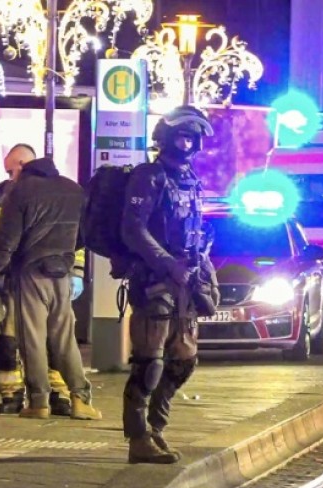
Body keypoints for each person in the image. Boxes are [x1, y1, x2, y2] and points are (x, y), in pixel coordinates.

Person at [120, 106, 219, 464]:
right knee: (149, 362)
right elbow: (133, 229)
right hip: (154, 282)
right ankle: (138, 438)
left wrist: (200, 263)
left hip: (187, 282)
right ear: (165, 137)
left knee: (184, 361)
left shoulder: (191, 177)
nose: (188, 142)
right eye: (182, 135)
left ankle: (156, 428)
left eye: (193, 137)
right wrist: (165, 264)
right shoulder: (149, 177)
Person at [0, 154, 101, 421]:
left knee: (32, 339)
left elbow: (6, 241)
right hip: (62, 273)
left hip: (30, 273)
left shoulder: (20, 191)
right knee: (64, 338)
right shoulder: (73, 189)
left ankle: (39, 402)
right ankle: (81, 399)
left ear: (23, 169)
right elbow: (84, 235)